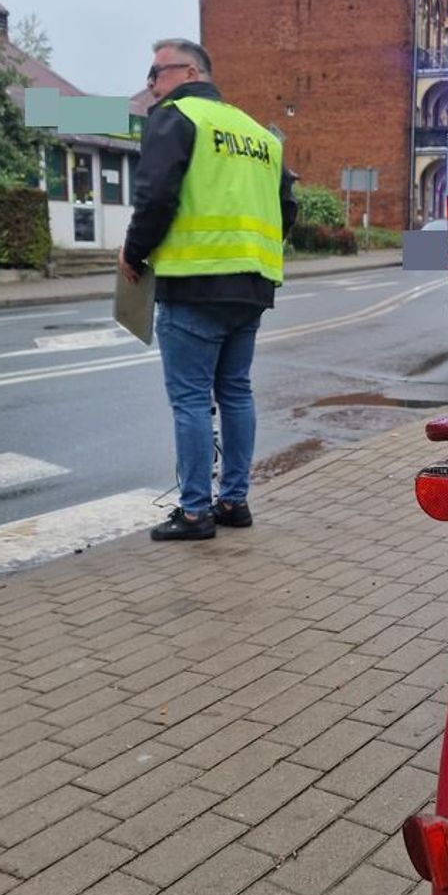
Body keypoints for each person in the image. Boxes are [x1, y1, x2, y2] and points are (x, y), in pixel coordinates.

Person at [119, 38, 297, 541]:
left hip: (194, 285)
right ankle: (234, 502)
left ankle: (196, 512)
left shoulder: (176, 118)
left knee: (192, 399)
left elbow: (155, 195)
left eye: (157, 72)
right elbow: (290, 208)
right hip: (252, 285)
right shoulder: (259, 134)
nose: (151, 84)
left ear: (191, 71)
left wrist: (133, 255)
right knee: (236, 391)